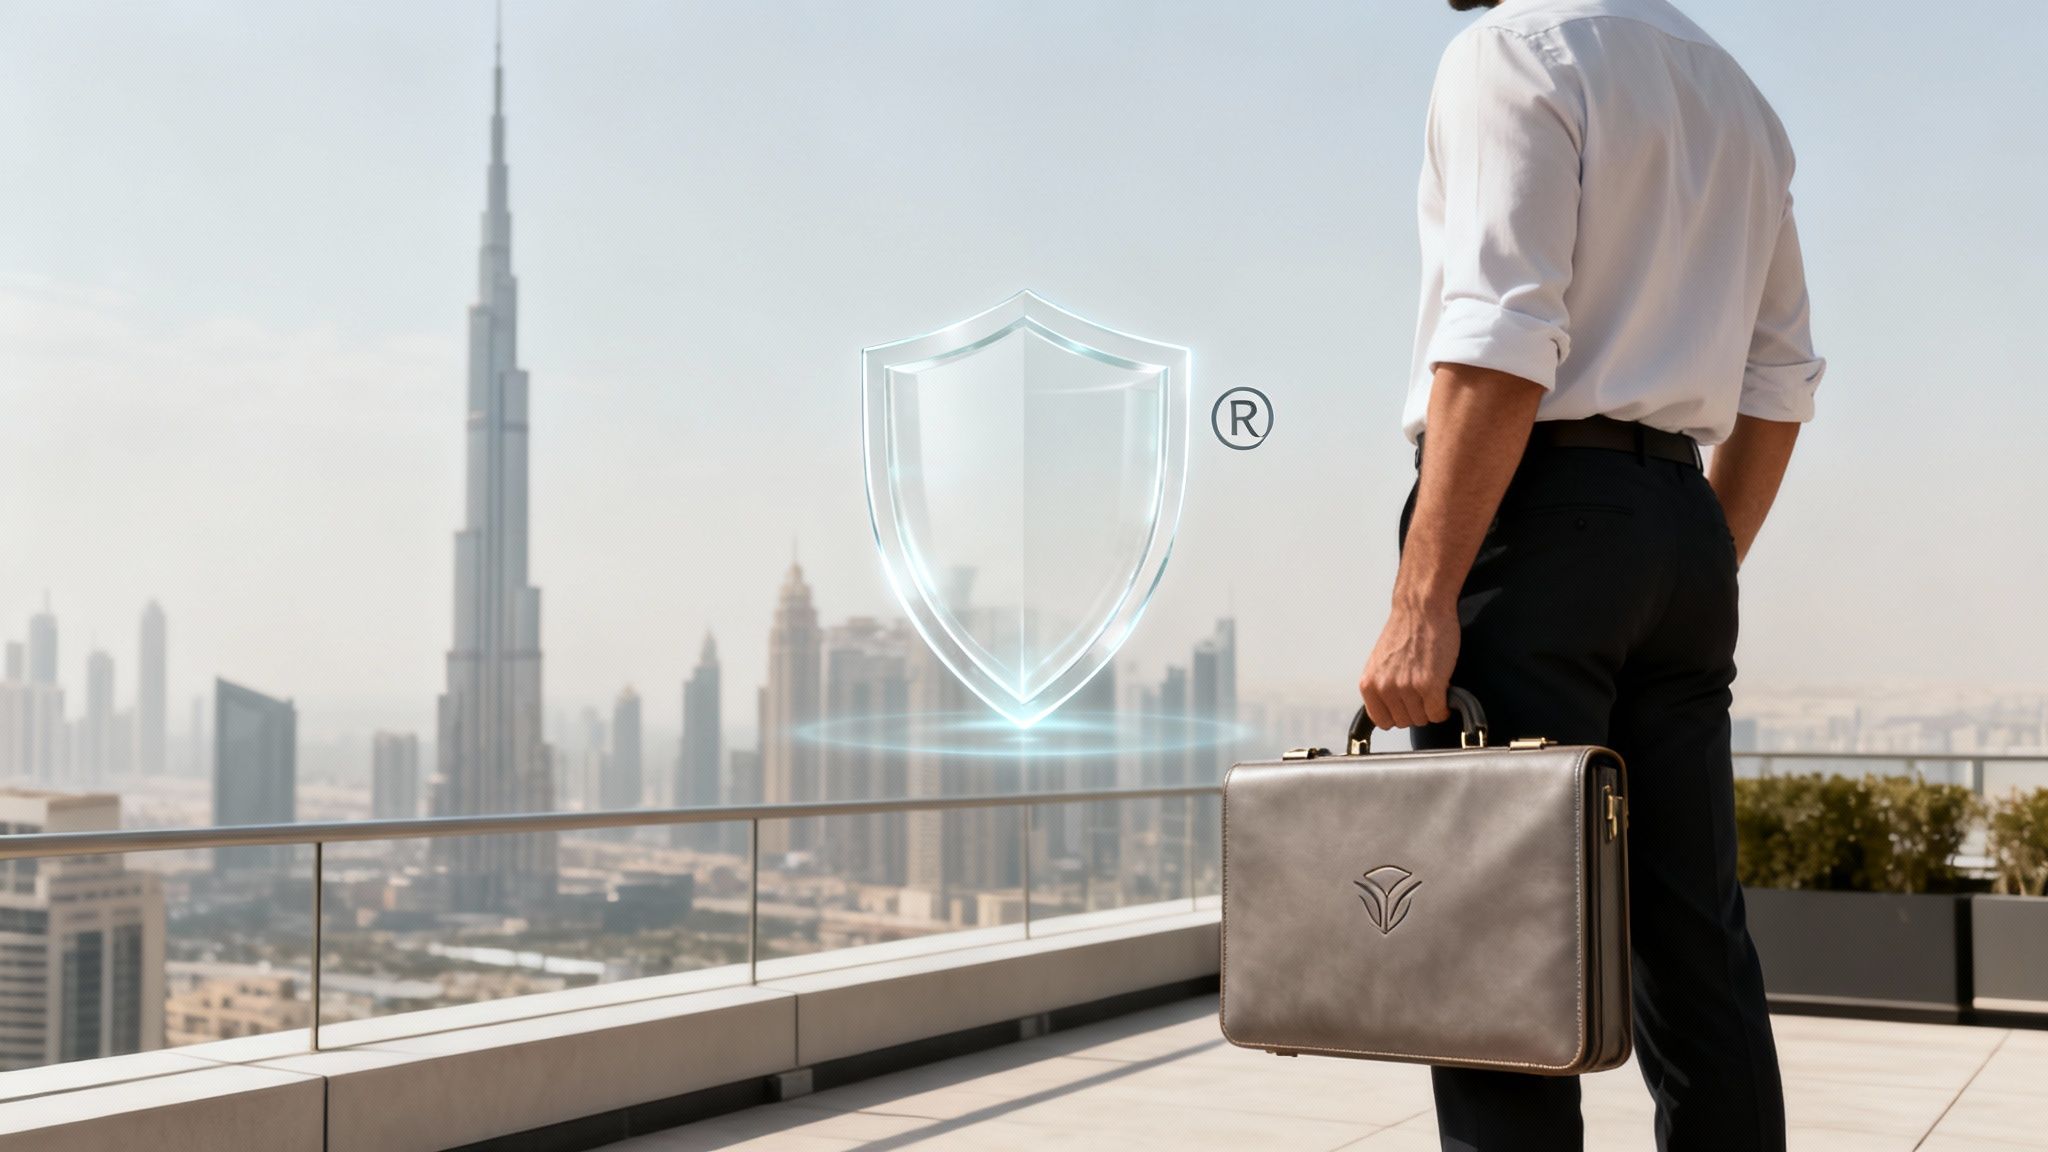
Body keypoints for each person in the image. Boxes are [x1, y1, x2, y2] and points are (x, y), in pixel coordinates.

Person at [1357, 0, 1822, 1148]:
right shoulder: (1736, 98)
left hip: (1533, 515)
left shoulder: (1510, 51)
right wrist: (1690, 557)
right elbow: (1778, 382)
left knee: (1495, 938)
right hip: (1681, 522)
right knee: (1691, 934)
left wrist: (1420, 600)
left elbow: (1501, 332)